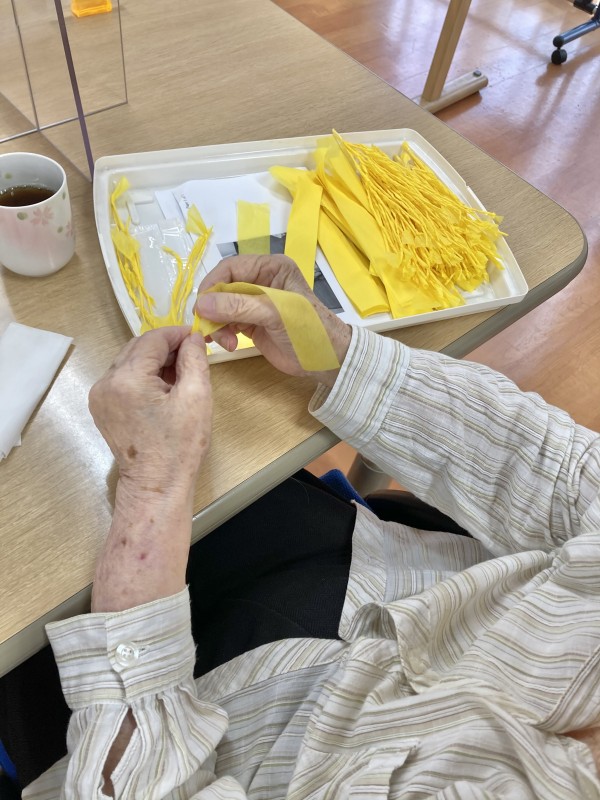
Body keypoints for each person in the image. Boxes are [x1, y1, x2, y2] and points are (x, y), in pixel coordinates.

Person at [22, 254, 600, 799]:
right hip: (379, 576)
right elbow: (562, 472)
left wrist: (152, 492)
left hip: (216, 740)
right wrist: (335, 349)